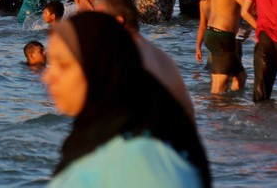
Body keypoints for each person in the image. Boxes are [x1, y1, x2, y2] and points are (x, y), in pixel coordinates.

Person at [43, 12, 210, 187]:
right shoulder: (92, 138)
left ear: (99, 67)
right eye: (50, 63)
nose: (48, 77)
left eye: (63, 65)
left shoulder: (144, 163)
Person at [95, 0, 195, 120]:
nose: (95, 25)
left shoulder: (124, 55)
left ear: (118, 21)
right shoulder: (161, 56)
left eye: (98, 19)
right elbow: (187, 111)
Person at [204, 0, 249, 94]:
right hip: (221, 36)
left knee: (241, 77)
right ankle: (214, 114)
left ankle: (232, 111)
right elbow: (246, 7)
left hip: (218, 35)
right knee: (219, 87)